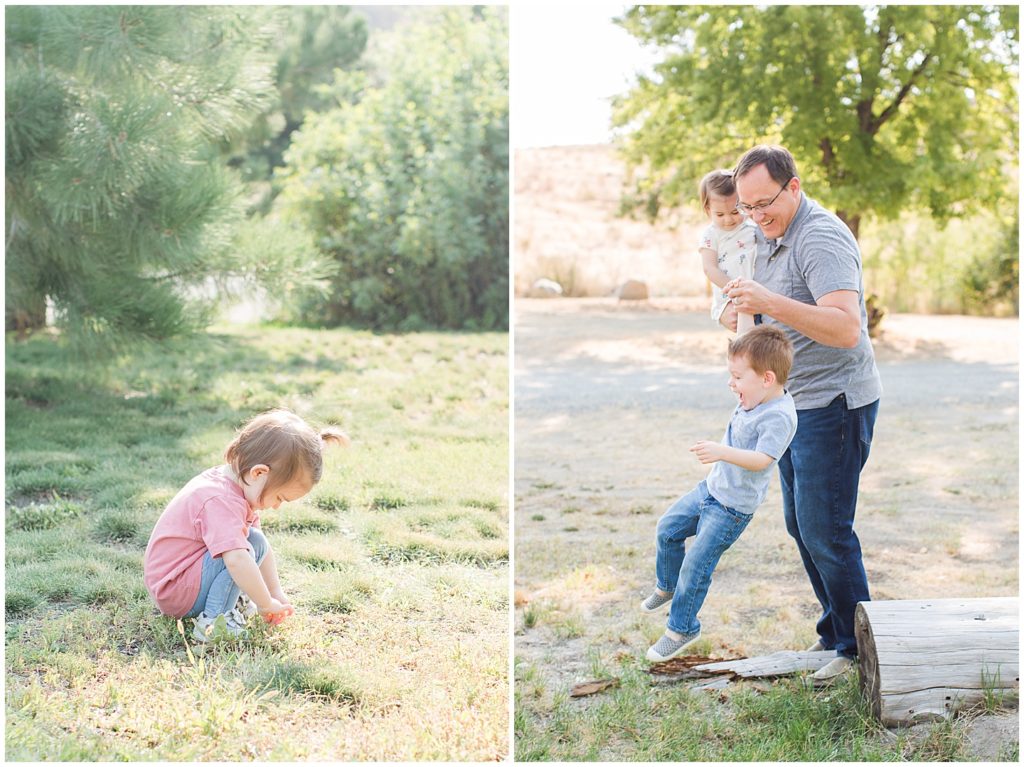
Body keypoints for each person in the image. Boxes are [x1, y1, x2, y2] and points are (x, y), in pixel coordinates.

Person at [723, 144, 882, 685]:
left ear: (793, 187)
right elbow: (767, 319)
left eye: (763, 202)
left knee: (827, 529)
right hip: (793, 405)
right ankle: (836, 634)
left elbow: (845, 328)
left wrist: (770, 297)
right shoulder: (766, 237)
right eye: (745, 207)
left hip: (834, 402)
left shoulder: (822, 236)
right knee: (802, 525)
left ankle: (858, 653)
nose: (754, 216)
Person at [641, 326, 797, 662]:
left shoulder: (780, 417)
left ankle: (681, 628)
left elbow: (762, 460)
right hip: (711, 489)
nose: (731, 383)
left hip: (731, 509)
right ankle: (666, 586)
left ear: (767, 379)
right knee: (668, 529)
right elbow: (745, 333)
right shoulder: (755, 395)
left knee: (696, 565)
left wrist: (720, 451)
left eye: (737, 377)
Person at [144, 409, 348, 642]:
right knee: (242, 553)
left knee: (254, 541)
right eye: (280, 498)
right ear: (258, 473)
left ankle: (231, 601)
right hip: (176, 591)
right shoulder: (221, 501)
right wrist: (264, 603)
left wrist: (275, 594)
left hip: (182, 581)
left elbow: (261, 545)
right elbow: (238, 560)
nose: (277, 506)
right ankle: (214, 622)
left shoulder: (234, 488)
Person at [697, 169, 758, 334]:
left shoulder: (752, 225)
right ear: (708, 210)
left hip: (759, 291)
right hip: (732, 295)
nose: (729, 219)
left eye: (734, 211)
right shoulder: (711, 234)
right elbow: (709, 268)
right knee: (747, 338)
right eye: (720, 214)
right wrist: (733, 289)